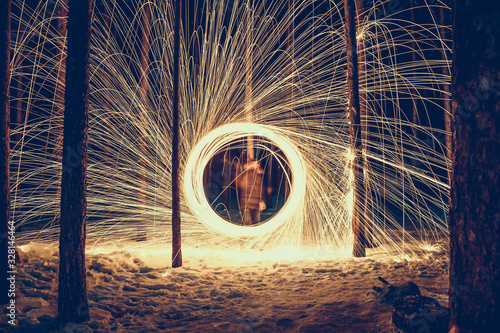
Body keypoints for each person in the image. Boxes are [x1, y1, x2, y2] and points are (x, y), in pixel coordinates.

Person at [235, 158, 266, 225]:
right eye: (253, 164)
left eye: (257, 164)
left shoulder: (258, 175)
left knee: (256, 225)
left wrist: (262, 201)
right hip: (246, 204)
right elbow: (240, 184)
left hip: (256, 204)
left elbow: (260, 189)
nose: (256, 165)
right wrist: (245, 169)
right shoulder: (244, 173)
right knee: (247, 225)